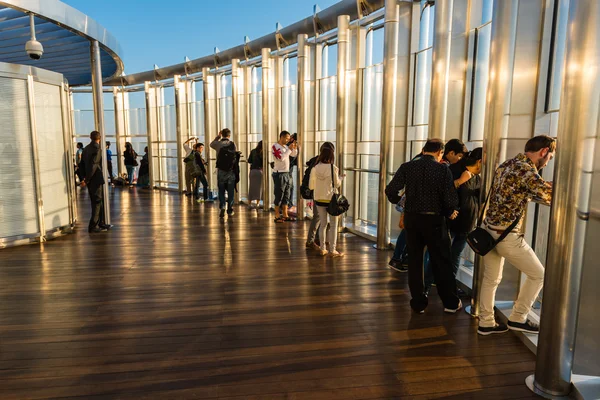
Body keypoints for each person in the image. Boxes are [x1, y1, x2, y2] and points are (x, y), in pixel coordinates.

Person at [478, 136, 555, 336]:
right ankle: (518, 318)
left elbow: (519, 190)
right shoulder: (527, 170)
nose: (547, 162)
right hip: (507, 237)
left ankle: (486, 322)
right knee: (539, 275)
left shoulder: (508, 164)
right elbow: (550, 195)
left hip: (488, 231)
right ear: (544, 151)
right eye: (550, 157)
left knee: (491, 279)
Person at [385, 138, 461, 314]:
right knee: (441, 261)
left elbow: (390, 190)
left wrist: (401, 201)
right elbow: (450, 197)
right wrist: (450, 210)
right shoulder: (443, 170)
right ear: (440, 152)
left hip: (412, 219)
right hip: (434, 221)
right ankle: (450, 303)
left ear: (423, 150)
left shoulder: (407, 167)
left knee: (415, 261)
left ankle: (418, 302)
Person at [308, 146, 344, 257]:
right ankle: (332, 250)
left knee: (323, 225)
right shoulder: (334, 168)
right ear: (331, 156)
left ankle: (323, 249)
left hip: (319, 199)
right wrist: (341, 178)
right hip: (331, 200)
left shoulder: (315, 168)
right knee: (333, 225)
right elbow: (337, 184)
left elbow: (311, 186)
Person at [305, 141, 335, 250]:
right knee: (322, 219)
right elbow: (335, 183)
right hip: (325, 195)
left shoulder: (316, 163)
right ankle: (312, 240)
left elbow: (311, 184)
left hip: (317, 195)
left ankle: (318, 240)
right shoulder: (330, 166)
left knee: (319, 218)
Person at [80, 131, 112, 233]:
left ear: (90, 137)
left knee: (98, 201)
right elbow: (94, 165)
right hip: (95, 179)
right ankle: (93, 226)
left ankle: (100, 222)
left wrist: (83, 178)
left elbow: (81, 165)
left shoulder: (86, 149)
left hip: (90, 179)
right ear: (100, 138)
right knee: (97, 202)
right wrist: (88, 179)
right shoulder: (97, 149)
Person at [272, 131, 298, 223]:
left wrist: (294, 148)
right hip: (279, 173)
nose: (288, 140)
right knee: (279, 194)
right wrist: (289, 149)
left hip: (287, 173)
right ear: (281, 137)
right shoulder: (275, 146)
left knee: (287, 194)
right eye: (286, 138)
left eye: (288, 138)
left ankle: (285, 214)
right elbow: (281, 158)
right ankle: (277, 215)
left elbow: (293, 155)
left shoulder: (286, 147)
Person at [210, 128, 237, 218]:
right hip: (230, 171)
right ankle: (230, 209)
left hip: (221, 170)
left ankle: (222, 206)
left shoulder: (218, 144)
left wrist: (218, 136)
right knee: (230, 191)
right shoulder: (232, 144)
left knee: (221, 190)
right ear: (229, 135)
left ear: (222, 134)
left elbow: (211, 144)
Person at [247, 141, 263, 209]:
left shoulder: (253, 151)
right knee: (259, 188)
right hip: (259, 171)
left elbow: (249, 161)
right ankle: (257, 204)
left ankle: (249, 203)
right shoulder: (263, 152)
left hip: (252, 171)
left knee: (251, 187)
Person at [288, 133, 298, 209]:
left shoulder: (287, 145)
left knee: (290, 187)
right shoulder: (290, 146)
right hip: (287, 170)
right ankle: (289, 204)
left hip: (287, 170)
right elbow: (292, 160)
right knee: (290, 187)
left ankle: (288, 204)